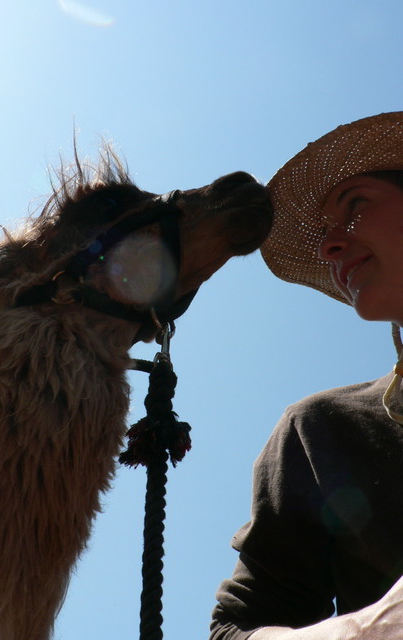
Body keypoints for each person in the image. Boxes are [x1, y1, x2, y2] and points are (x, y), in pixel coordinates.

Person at [209, 111, 403, 640]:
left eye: (355, 205)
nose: (328, 246)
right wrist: (365, 630)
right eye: (320, 233)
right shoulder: (322, 431)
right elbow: (239, 628)